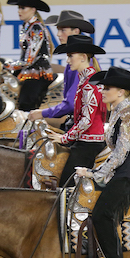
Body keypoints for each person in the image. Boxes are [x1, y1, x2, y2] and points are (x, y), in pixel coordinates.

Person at [76, 67, 130, 258]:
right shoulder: (118, 111)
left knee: (102, 215)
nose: (102, 91)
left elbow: (120, 154)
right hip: (119, 175)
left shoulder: (127, 114)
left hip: (129, 177)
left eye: (107, 87)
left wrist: (94, 174)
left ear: (121, 90)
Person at [45, 35, 106, 187]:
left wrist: (64, 138)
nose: (68, 61)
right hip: (83, 140)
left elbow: (86, 120)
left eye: (71, 56)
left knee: (66, 186)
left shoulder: (89, 84)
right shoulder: (86, 81)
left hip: (88, 145)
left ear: (83, 57)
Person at [28, 10, 96, 130]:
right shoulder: (78, 61)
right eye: (58, 30)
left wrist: (42, 113)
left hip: (83, 127)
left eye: (63, 30)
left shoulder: (79, 64)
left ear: (75, 31)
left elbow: (71, 104)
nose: (58, 34)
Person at [4, 0, 54, 111]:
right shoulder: (27, 27)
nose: (19, 11)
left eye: (22, 8)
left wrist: (8, 65)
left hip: (36, 72)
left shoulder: (36, 28)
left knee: (26, 104)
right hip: (27, 70)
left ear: (32, 9)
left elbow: (29, 59)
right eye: (18, 8)